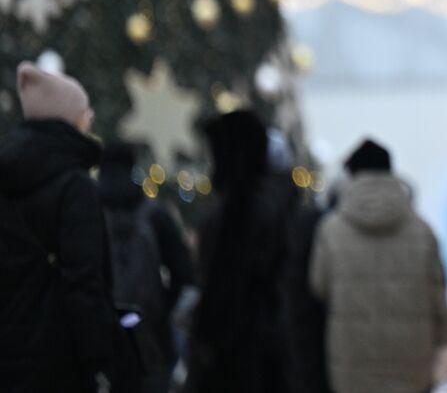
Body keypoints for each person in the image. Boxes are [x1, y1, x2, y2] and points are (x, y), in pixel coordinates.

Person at [0, 62, 116, 393]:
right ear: (69, 119)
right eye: (84, 111)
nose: (90, 117)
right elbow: (84, 279)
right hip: (60, 358)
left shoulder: (7, 175)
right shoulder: (74, 185)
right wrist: (100, 359)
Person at [309, 138, 447, 393]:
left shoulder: (330, 230)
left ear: (351, 176)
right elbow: (439, 298)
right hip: (413, 369)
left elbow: (318, 286)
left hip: (351, 369)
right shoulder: (422, 232)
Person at [184, 109, 293, 393]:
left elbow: (225, 289)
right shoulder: (272, 205)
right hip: (262, 358)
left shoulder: (239, 213)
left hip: (239, 361)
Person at [97, 141, 194, 393]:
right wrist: (162, 306)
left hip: (102, 336)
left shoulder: (87, 213)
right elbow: (184, 272)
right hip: (152, 336)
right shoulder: (154, 214)